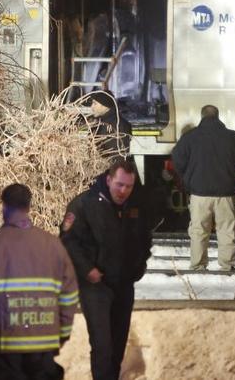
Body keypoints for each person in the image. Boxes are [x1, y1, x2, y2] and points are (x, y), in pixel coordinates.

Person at [0, 184, 78, 380]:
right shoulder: (53, 245)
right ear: (29, 206)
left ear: (4, 206)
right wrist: (61, 334)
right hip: (44, 344)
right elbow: (69, 295)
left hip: (2, 346)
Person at [60, 158, 153, 380]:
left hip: (124, 283)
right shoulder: (84, 204)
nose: (123, 191)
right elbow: (68, 241)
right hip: (95, 285)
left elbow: (144, 238)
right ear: (109, 180)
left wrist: (138, 267)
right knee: (102, 344)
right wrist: (88, 269)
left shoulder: (136, 206)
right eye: (120, 185)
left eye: (129, 186)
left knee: (118, 344)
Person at [170, 105, 235, 271]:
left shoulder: (190, 137)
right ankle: (227, 266)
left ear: (202, 117)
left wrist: (187, 177)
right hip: (226, 193)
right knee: (227, 230)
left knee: (199, 231)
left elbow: (177, 157)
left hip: (199, 193)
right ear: (218, 117)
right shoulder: (231, 137)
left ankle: (198, 265)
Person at [87, 90, 132, 157]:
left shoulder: (118, 125)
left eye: (95, 103)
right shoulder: (98, 123)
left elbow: (117, 156)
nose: (92, 107)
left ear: (105, 105)